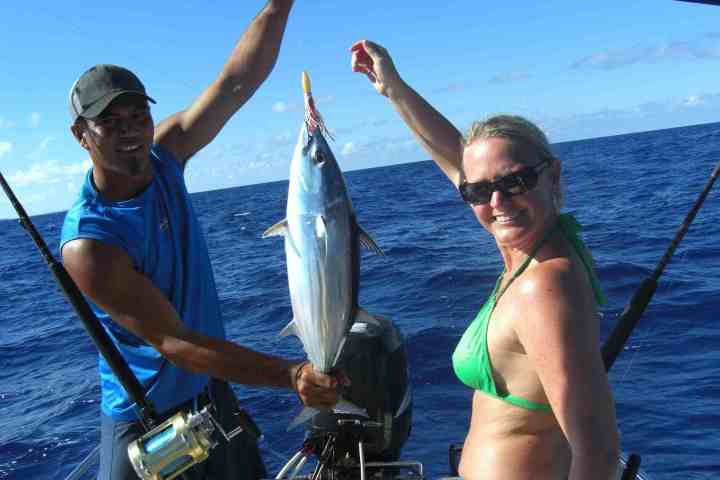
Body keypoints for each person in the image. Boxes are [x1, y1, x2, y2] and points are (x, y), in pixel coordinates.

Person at [59, 2, 339, 479]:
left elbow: (234, 83)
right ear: (81, 135)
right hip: (144, 424)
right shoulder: (91, 243)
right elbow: (176, 341)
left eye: (136, 115)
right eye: (110, 121)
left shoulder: (166, 154)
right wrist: (290, 375)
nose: (129, 131)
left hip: (211, 394)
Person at [350, 40, 620, 480]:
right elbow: (464, 164)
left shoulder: (543, 286)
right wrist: (393, 89)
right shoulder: (535, 245)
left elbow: (599, 452)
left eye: (515, 182)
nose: (497, 202)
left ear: (552, 175)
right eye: (478, 192)